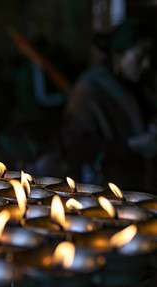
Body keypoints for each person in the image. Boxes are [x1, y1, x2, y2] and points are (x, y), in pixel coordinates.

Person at [61, 19, 157, 191]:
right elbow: (75, 145)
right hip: (108, 190)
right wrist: (131, 146)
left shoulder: (138, 85)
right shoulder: (90, 89)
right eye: (140, 56)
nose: (147, 64)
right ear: (118, 54)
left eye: (151, 56)